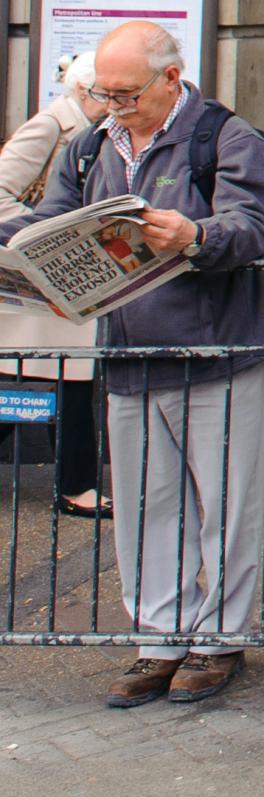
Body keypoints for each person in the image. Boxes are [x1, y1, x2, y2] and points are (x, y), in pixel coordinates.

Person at [8, 21, 264, 707]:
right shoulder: (89, 145)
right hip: (131, 352)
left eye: (127, 93)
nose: (114, 106)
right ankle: (159, 637)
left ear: (171, 77)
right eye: (104, 93)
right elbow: (54, 220)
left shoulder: (225, 137)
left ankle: (218, 637)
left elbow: (256, 225)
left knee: (223, 503)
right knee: (145, 504)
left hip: (216, 352)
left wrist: (196, 234)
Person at [0, 53, 109, 516]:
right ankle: (76, 487)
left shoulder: (101, 130)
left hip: (66, 277)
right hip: (33, 271)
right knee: (42, 380)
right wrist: (46, 235)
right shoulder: (50, 125)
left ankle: (76, 485)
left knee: (68, 381)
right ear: (83, 92)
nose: (114, 104)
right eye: (105, 95)